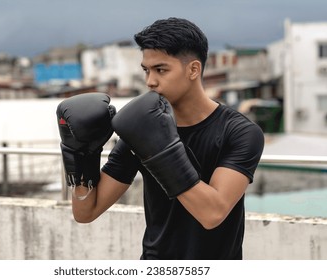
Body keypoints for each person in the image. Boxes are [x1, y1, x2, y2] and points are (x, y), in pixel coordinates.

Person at [57, 17, 264, 260]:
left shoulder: (239, 132)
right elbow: (86, 213)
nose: (150, 81)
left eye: (161, 70)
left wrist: (160, 151)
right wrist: (82, 156)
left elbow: (212, 214)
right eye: (146, 70)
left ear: (193, 69)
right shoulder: (141, 129)